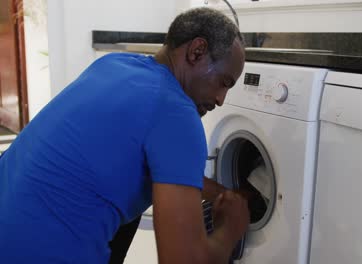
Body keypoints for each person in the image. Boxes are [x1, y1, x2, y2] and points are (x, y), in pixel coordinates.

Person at [0, 7, 250, 264]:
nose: (221, 100)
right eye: (224, 82)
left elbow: (159, 166)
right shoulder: (177, 113)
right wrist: (231, 227)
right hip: (36, 253)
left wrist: (221, 193)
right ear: (196, 52)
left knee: (130, 205)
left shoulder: (114, 65)